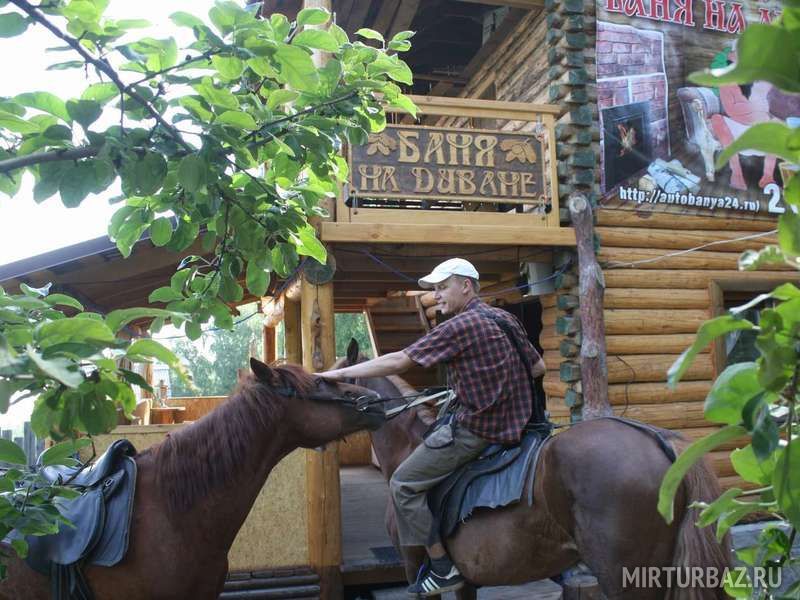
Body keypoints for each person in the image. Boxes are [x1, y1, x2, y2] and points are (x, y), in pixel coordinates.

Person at [319, 258, 546, 597]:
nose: (436, 296)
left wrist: (334, 375)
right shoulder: (504, 317)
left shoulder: (459, 326)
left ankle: (441, 567)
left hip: (478, 431)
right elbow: (539, 368)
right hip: (520, 426)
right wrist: (485, 386)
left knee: (403, 485)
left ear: (466, 286)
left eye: (442, 287)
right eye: (434, 290)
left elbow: (398, 360)